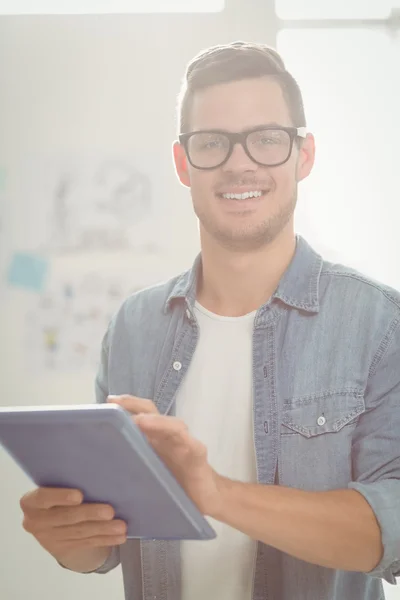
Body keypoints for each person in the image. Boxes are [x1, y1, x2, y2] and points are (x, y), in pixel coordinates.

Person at [19, 41, 400, 600]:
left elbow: (389, 533)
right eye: (212, 143)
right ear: (183, 164)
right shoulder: (133, 325)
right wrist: (74, 539)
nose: (239, 163)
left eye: (267, 139)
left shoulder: (379, 322)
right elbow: (105, 549)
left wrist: (214, 492)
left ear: (304, 155)